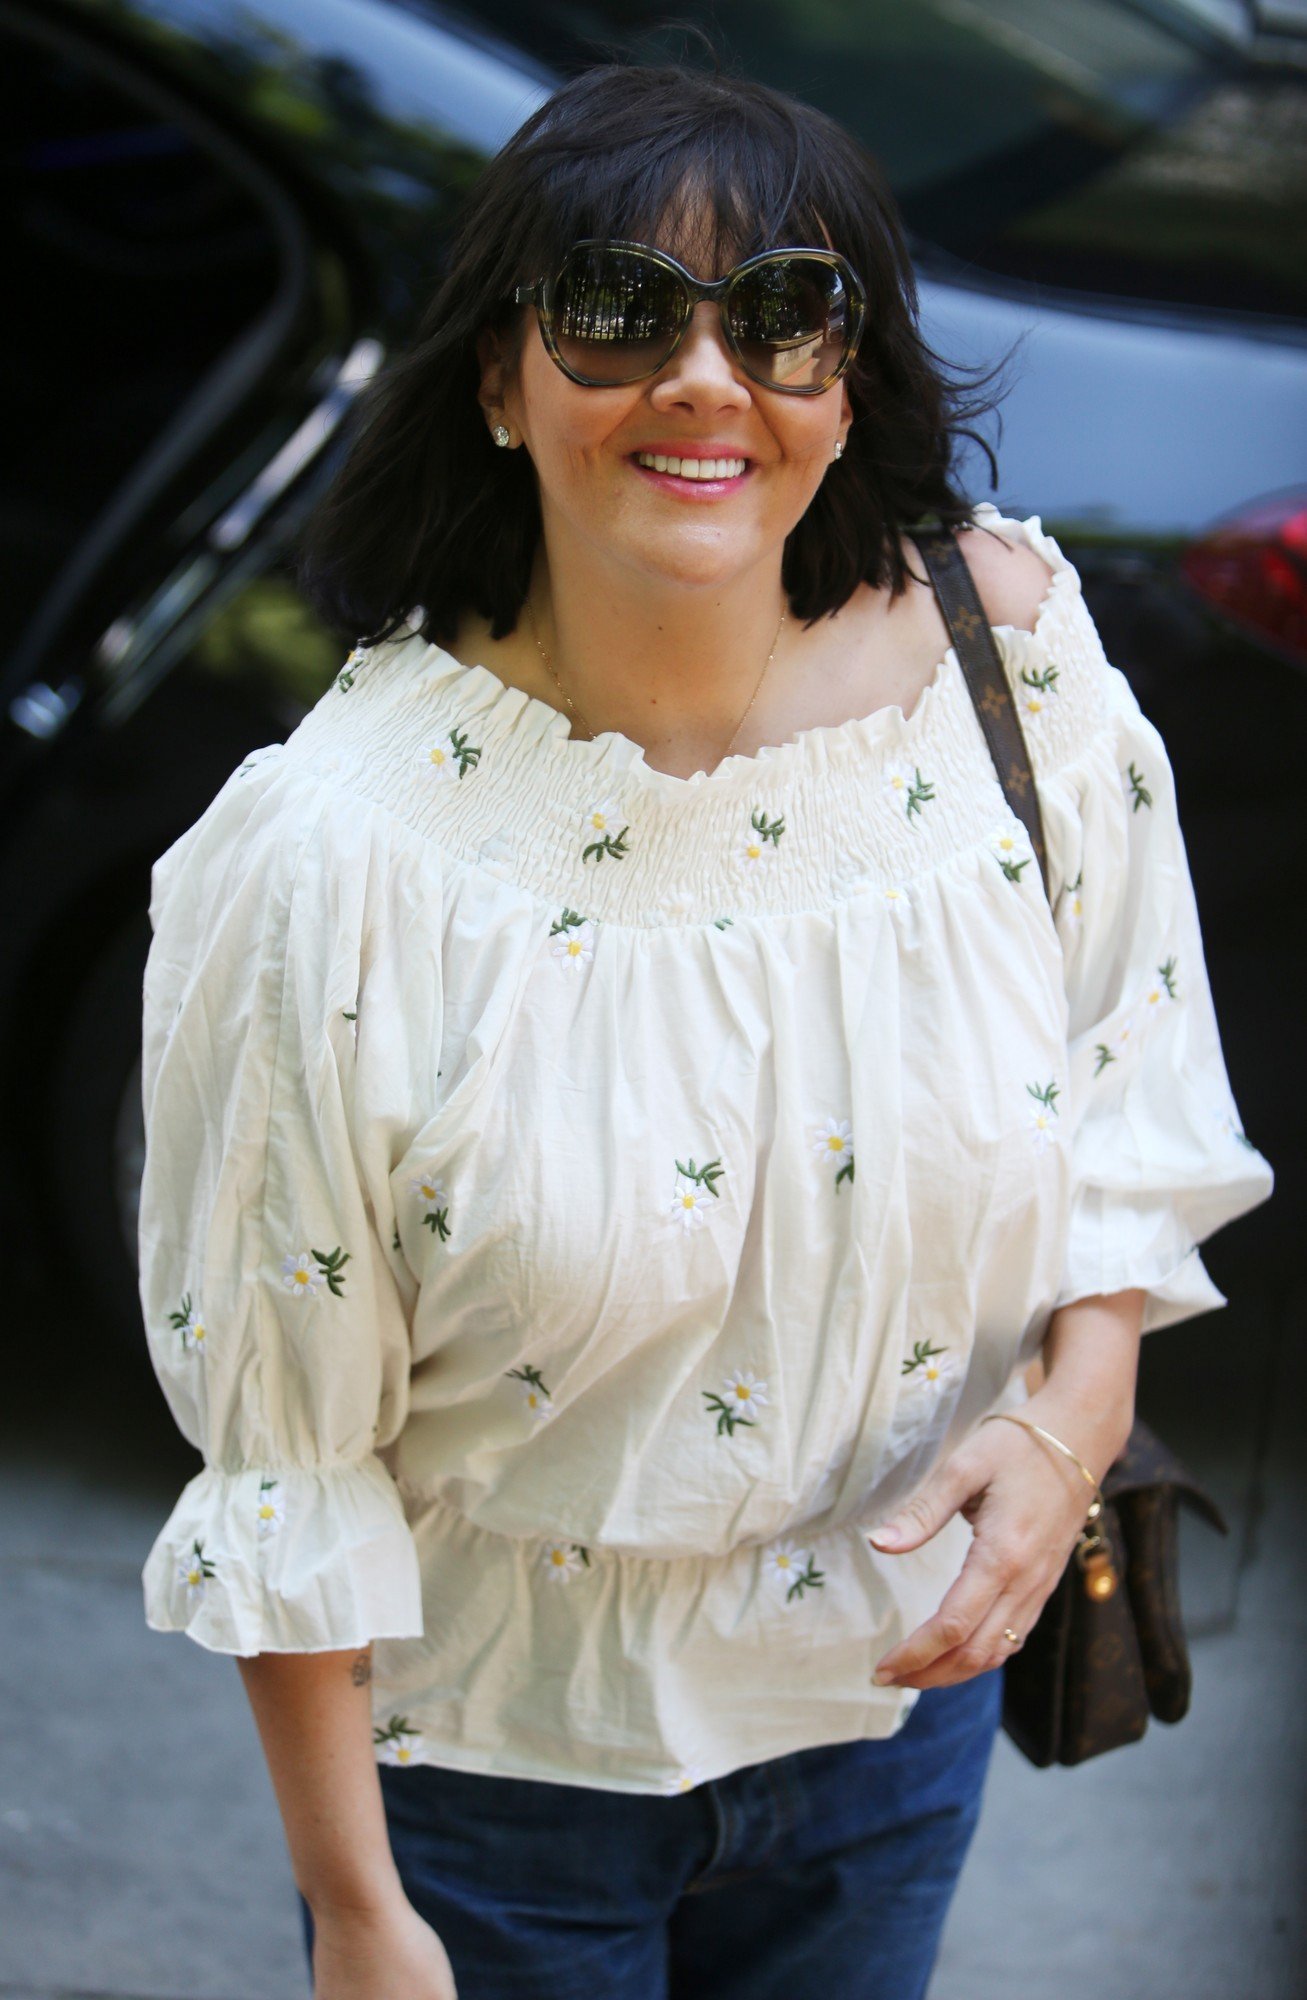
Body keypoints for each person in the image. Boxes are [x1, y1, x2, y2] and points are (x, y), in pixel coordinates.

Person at [135, 54, 1273, 2000]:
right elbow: (286, 1451)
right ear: (500, 377)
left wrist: (1071, 1419)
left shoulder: (1008, 663)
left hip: (894, 1722)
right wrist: (354, 1909)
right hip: (493, 1793)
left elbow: (1130, 1098)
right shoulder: (334, 862)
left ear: (851, 381)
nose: (706, 376)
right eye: (616, 310)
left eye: (785, 313)